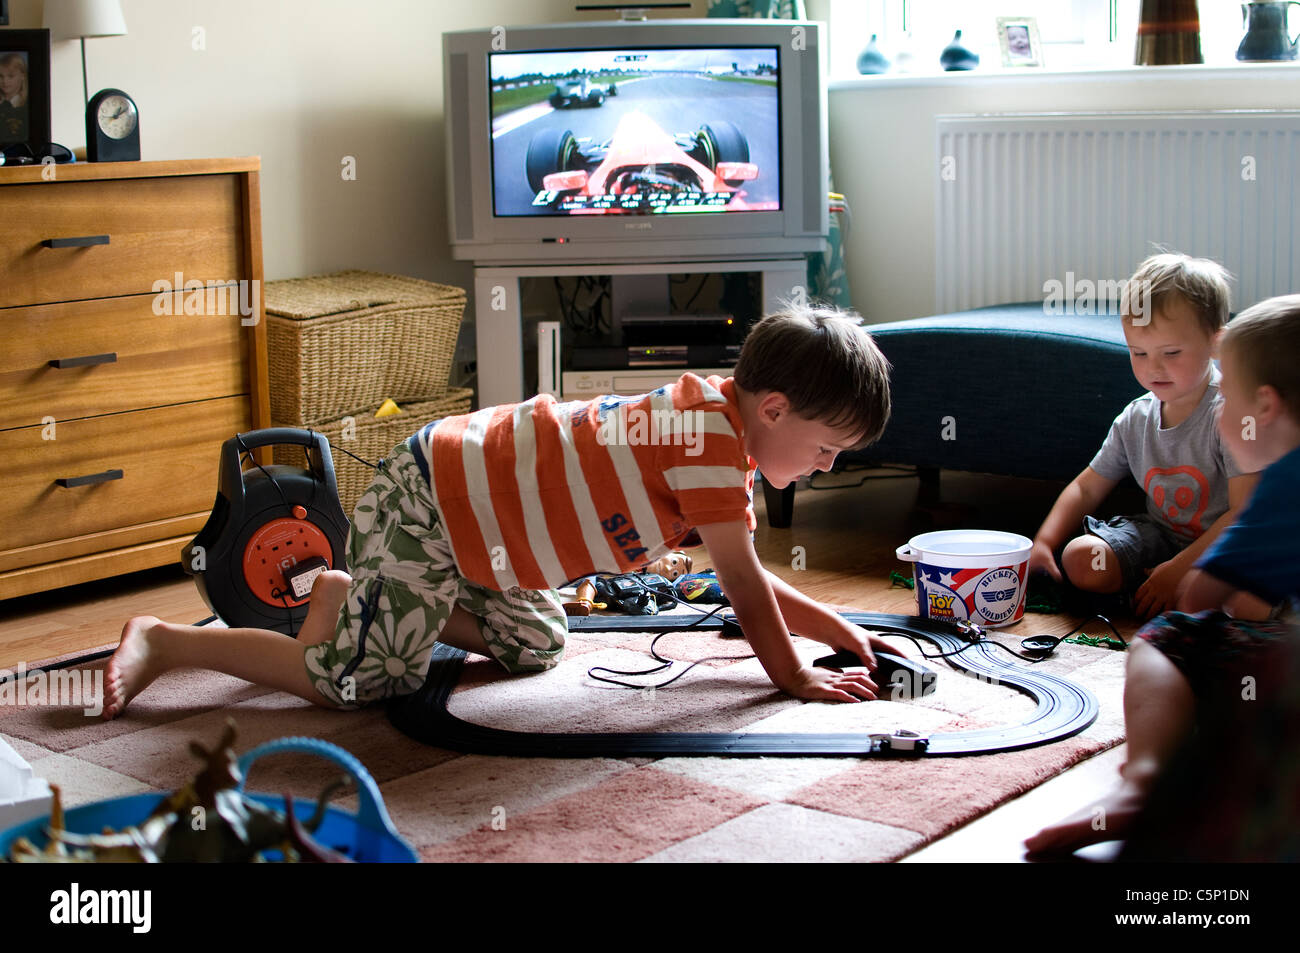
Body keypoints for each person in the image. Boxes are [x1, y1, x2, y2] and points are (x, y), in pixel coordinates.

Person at [103, 305, 897, 718]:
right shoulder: (705, 441)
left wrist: (838, 630)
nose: (827, 466)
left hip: (484, 535)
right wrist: (794, 673)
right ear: (778, 408)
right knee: (362, 680)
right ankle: (171, 644)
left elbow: (746, 573)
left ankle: (349, 594)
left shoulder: (718, 428)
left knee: (540, 640)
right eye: (828, 449)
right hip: (429, 502)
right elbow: (745, 589)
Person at [1025, 294, 1300, 858]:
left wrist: (1193, 583)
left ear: (1263, 408)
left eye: (1229, 401)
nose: (1220, 417)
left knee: (1164, 639)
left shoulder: (1274, 491)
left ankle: (1144, 778)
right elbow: (1088, 485)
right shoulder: (1138, 418)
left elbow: (1198, 597)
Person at [1028, 253, 1258, 620]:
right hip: (1159, 537)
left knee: (1246, 601)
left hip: (1222, 546)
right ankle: (1157, 592)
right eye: (1138, 352)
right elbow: (1087, 488)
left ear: (1216, 344)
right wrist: (1045, 541)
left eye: (1171, 353)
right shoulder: (1135, 418)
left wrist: (1180, 569)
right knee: (1081, 558)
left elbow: (1244, 513)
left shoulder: (1231, 415)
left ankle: (1163, 593)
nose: (1154, 367)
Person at [0, 52, 30, 145]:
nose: (5, 81)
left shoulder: (27, 106)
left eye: (11, 76)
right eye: (0, 76)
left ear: (22, 76)